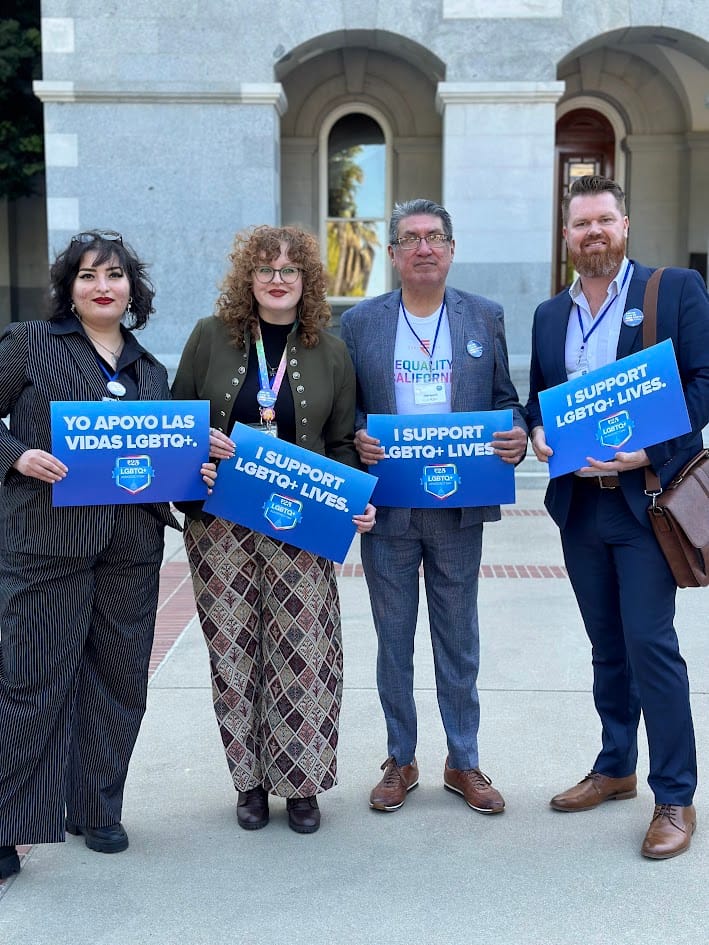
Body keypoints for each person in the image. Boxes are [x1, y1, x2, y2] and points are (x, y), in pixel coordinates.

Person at [0, 230, 216, 881]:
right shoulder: (29, 344)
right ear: (70, 288)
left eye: (115, 275)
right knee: (30, 685)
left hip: (129, 549)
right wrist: (17, 455)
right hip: (46, 545)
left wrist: (196, 474)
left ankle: (95, 806)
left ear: (131, 289)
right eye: (89, 275)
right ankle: (8, 825)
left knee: (119, 683)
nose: (103, 286)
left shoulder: (150, 371)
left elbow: (164, 459)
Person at [526, 175, 709, 859]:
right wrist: (538, 430)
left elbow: (704, 381)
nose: (592, 232)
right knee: (606, 646)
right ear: (566, 235)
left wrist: (650, 449)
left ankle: (674, 794)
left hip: (643, 505)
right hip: (579, 508)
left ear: (624, 225)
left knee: (650, 645)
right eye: (580, 224)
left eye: (603, 219)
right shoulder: (550, 315)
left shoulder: (671, 291)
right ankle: (614, 766)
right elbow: (539, 400)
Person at [172, 225, 375, 835]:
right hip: (221, 525)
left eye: (290, 269)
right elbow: (177, 419)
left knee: (303, 654)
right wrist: (196, 445)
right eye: (266, 268)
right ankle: (251, 782)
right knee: (233, 652)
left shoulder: (330, 349)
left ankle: (302, 783)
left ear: (307, 279)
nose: (278, 278)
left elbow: (341, 443)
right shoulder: (211, 336)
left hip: (300, 524)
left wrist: (354, 500)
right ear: (248, 277)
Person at [340, 198, 527, 815]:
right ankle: (400, 757)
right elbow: (349, 412)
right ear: (392, 254)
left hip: (458, 506)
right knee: (394, 641)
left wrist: (517, 436)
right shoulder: (361, 323)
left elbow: (507, 399)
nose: (424, 247)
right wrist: (359, 436)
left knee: (458, 637)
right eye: (411, 238)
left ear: (451, 249)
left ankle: (463, 760)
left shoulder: (483, 316)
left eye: (435, 237)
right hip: (390, 509)